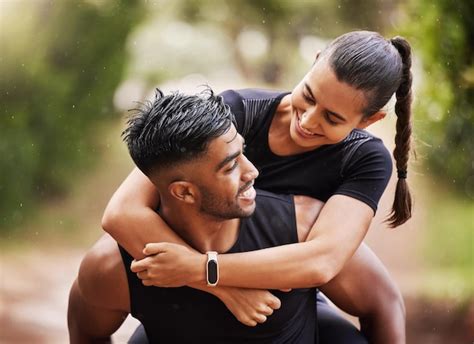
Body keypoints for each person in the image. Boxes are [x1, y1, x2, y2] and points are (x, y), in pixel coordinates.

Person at [102, 31, 412, 342]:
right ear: (315, 61)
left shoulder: (363, 159)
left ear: (368, 121)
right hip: (190, 279)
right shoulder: (238, 112)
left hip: (286, 294)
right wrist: (221, 287)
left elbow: (321, 260)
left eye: (332, 118)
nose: (307, 121)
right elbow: (122, 213)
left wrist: (205, 270)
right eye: (309, 95)